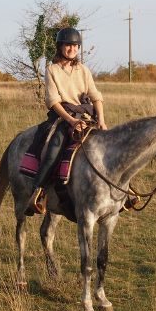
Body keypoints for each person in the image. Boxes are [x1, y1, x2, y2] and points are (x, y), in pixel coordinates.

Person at [25, 27, 108, 215]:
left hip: (87, 118)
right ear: (60, 47)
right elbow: (53, 101)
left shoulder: (83, 70)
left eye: (75, 45)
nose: (72, 49)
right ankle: (38, 192)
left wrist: (101, 121)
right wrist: (71, 121)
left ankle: (121, 194)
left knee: (110, 147)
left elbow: (96, 96)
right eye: (68, 45)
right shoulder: (51, 70)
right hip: (63, 118)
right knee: (54, 148)